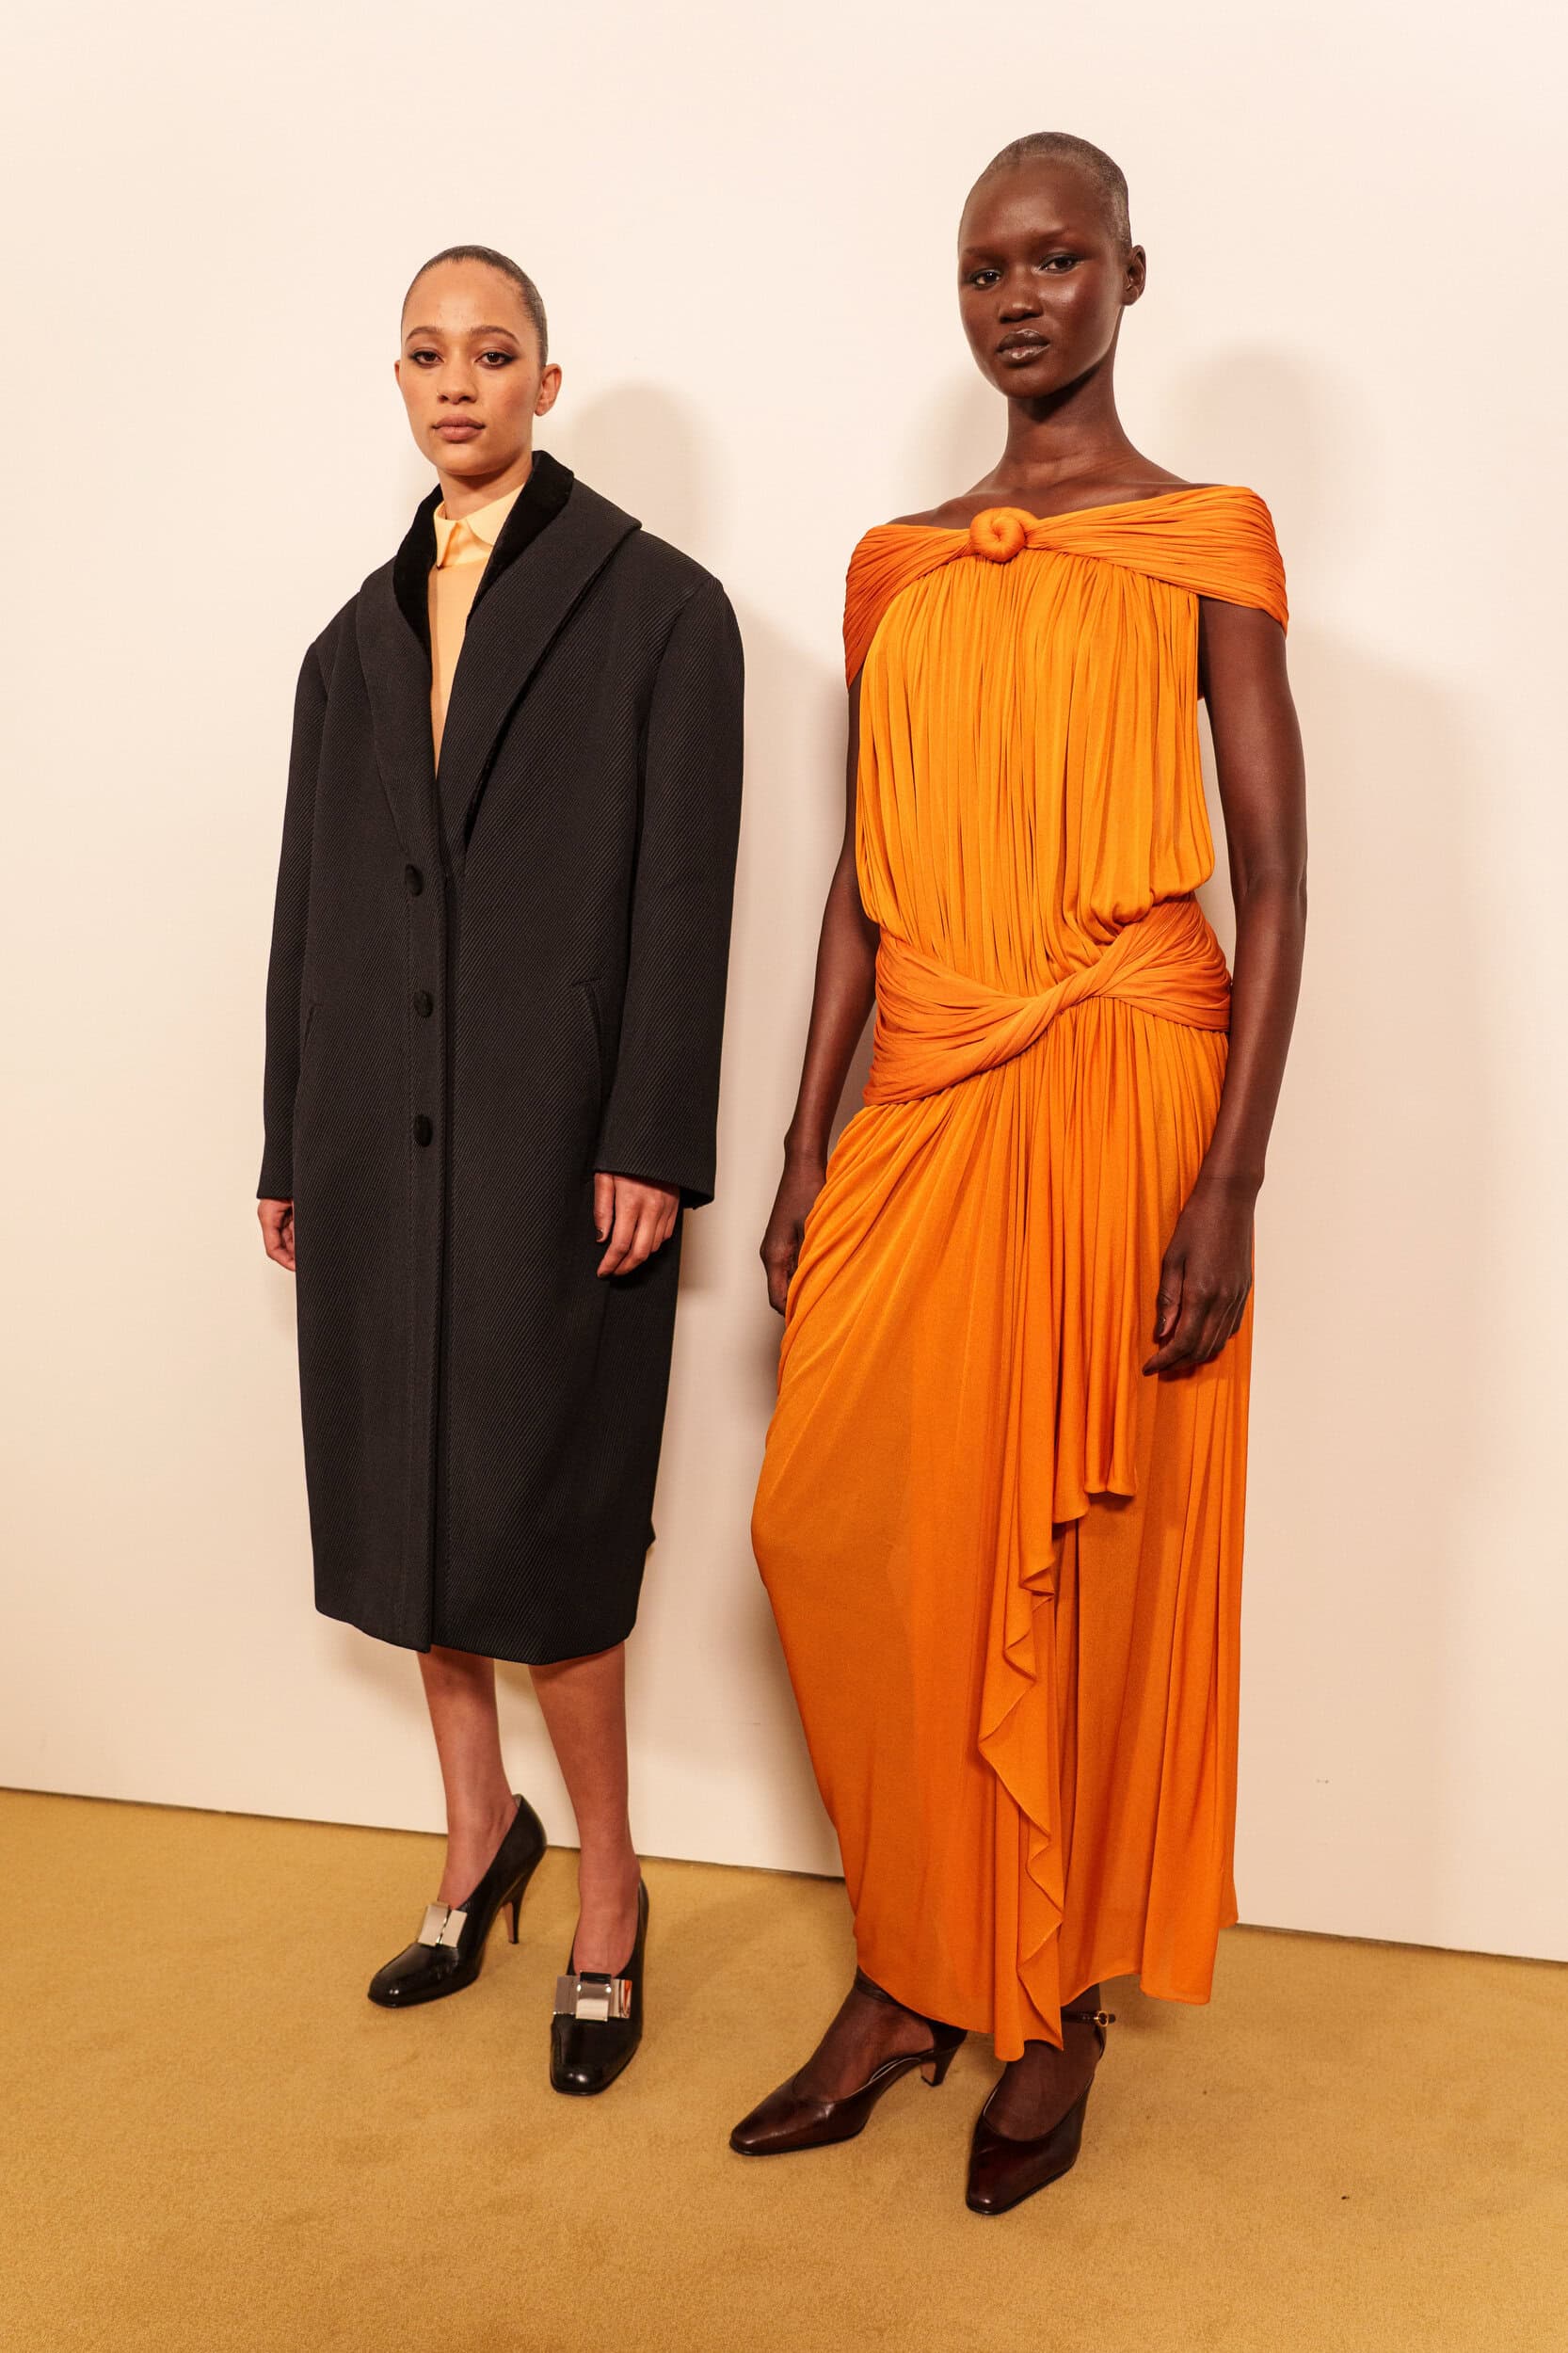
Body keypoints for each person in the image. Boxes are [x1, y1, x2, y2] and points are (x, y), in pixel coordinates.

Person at [737, 134, 1305, 2211]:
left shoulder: (1206, 538)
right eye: (985, 268)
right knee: (833, 1524)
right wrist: (803, 1132)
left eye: (1057, 259)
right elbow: (856, 874)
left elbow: (1275, 877)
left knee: (1079, 1554)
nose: (1017, 298)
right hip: (930, 1074)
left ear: (1129, 274)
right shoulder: (895, 565)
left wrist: (1231, 1181)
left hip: (1126, 1079)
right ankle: (912, 1965)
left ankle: (1044, 1998)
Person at [258, 244, 744, 2095]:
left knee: (548, 1527)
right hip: (372, 1144)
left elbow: (685, 896)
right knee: (408, 1497)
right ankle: (478, 1831)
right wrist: (289, 1132)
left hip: (560, 1147)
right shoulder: (348, 645)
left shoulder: (662, 612)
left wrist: (651, 1134)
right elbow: (308, 907)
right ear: (397, 382)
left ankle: (610, 1882)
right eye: (424, 354)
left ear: (547, 380)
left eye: (490, 352)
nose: (454, 382)